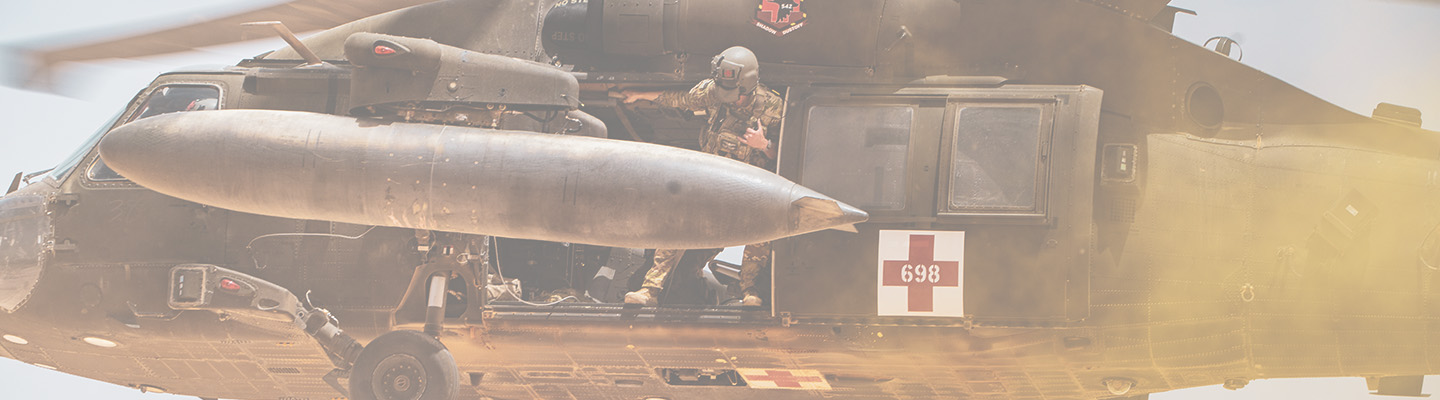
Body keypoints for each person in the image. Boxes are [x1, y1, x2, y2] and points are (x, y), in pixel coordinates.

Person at [619, 46, 782, 307]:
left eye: (736, 95)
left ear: (749, 87)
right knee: (676, 226)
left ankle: (749, 291)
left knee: (762, 230)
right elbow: (681, 99)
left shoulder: (774, 106)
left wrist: (763, 144)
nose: (729, 99)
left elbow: (789, 156)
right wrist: (641, 95)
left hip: (749, 187)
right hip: (710, 180)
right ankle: (649, 290)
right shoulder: (713, 92)